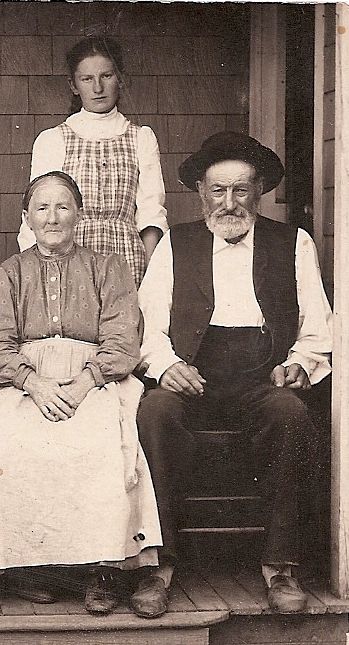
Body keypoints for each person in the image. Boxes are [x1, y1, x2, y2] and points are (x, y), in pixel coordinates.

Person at [0, 171, 162, 616]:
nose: (52, 217)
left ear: (78, 214)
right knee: (9, 442)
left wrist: (84, 382)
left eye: (63, 206)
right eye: (42, 207)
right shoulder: (5, 274)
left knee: (99, 444)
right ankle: (30, 566)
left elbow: (123, 340)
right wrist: (34, 384)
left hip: (94, 378)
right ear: (27, 218)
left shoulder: (107, 267)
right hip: (22, 380)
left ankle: (103, 567)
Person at [135, 132, 333, 616]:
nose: (229, 203)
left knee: (290, 414)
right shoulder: (176, 244)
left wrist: (299, 366)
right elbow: (148, 327)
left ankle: (280, 569)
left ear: (259, 191)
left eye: (241, 190)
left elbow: (318, 329)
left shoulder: (293, 242)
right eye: (218, 190)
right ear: (201, 191)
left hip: (264, 377)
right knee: (154, 411)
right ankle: (156, 569)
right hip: (193, 373)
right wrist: (167, 366)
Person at [17, 36, 167, 287]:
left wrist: (151, 282)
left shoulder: (141, 137)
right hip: (66, 259)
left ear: (120, 78)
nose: (98, 88)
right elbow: (37, 215)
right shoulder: (53, 139)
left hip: (126, 260)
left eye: (106, 76)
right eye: (87, 79)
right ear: (74, 85)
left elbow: (151, 215)